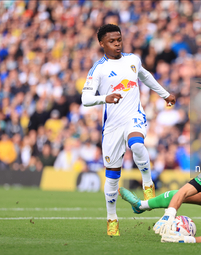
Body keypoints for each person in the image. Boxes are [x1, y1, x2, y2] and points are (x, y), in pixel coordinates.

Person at [81, 24, 176, 236]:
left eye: (119, 40)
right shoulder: (98, 69)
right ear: (102, 44)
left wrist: (165, 94)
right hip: (112, 126)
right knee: (112, 177)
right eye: (112, 41)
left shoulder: (133, 59)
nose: (117, 44)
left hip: (134, 116)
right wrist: (104, 98)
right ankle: (112, 218)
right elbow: (85, 98)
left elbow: (146, 76)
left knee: (137, 144)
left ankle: (148, 183)